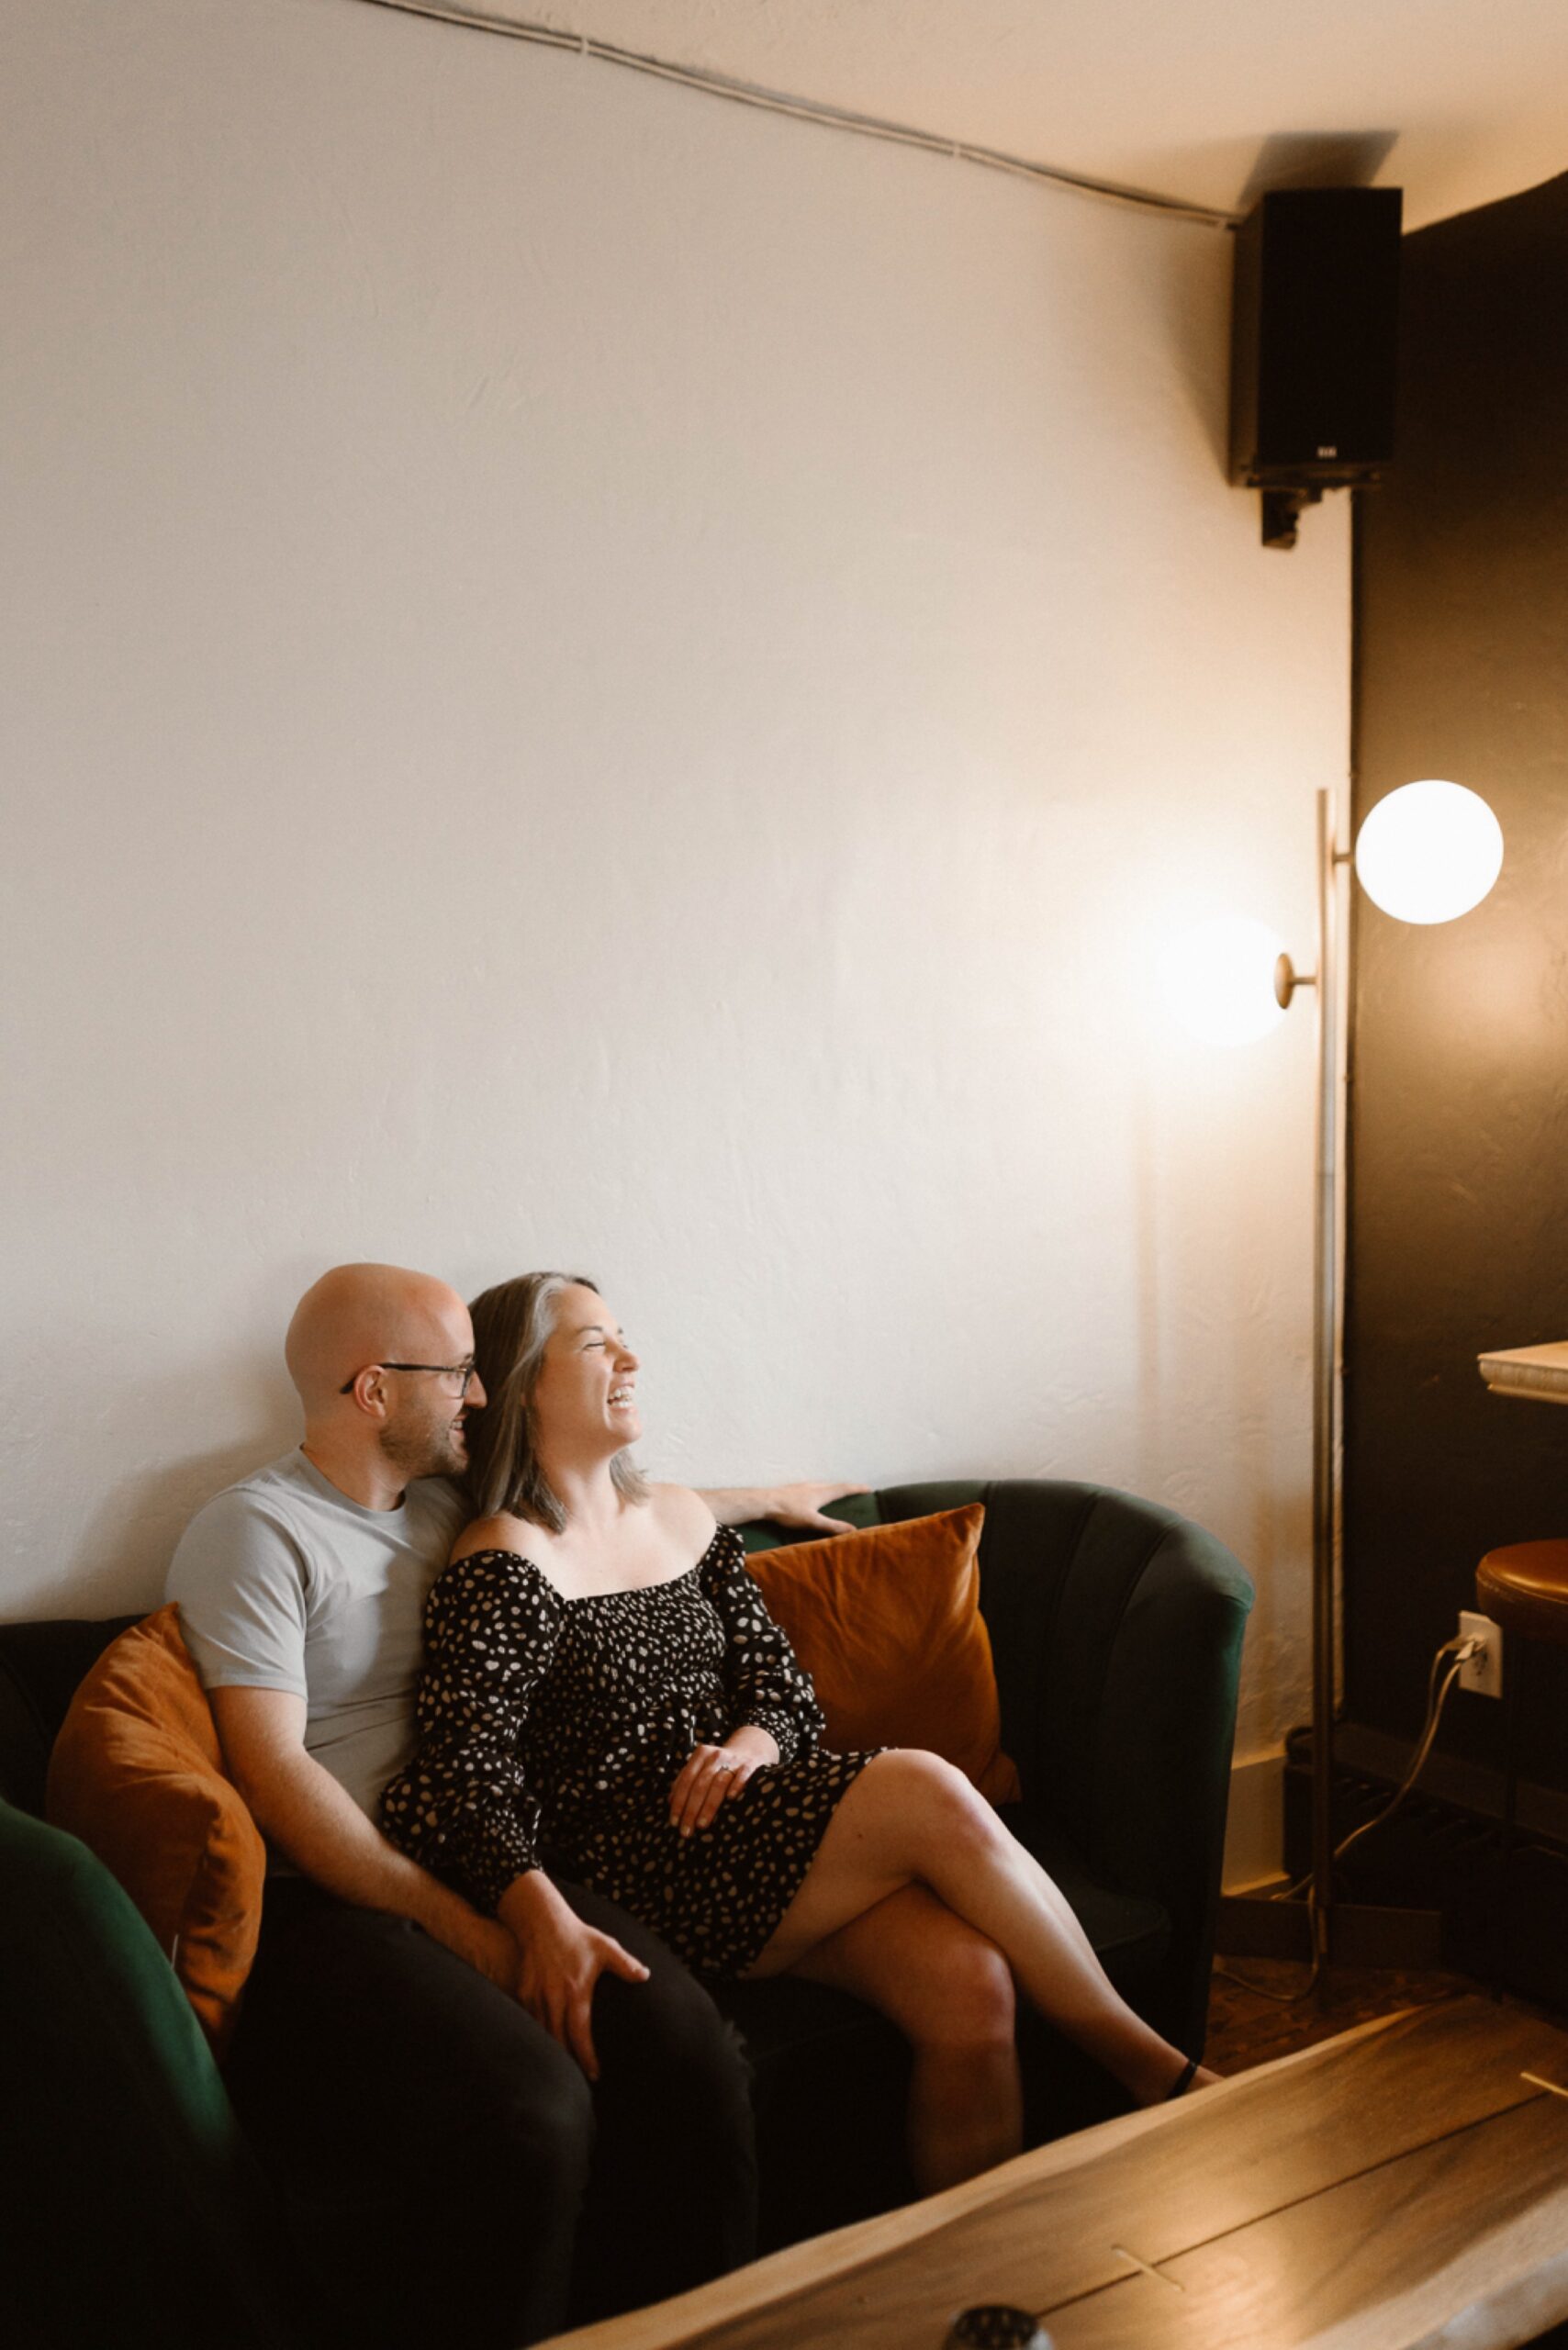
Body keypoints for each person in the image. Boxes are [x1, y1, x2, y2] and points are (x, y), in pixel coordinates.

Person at [381, 1272, 1219, 2208]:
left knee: (970, 1989)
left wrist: (751, 1745)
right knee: (922, 1784)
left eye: (624, 1335)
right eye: (594, 1343)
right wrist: (532, 1903)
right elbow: (461, 1773)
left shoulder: (678, 1518)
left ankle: (965, 2282)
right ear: (525, 1381)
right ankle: (1149, 2066)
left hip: (755, 1826)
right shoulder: (505, 1557)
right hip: (641, 1862)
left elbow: (778, 1684)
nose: (631, 1358)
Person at [167, 1261, 863, 2350]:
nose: (480, 1397)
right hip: (339, 1906)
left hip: (489, 1849)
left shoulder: (447, 1501)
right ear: (372, 1391)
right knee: (534, 2113)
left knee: (694, 2058)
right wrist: (481, 1927)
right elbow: (276, 1778)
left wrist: (761, 1499)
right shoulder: (255, 1532)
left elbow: (623, 1508)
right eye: (457, 1375)